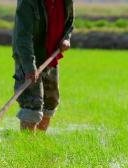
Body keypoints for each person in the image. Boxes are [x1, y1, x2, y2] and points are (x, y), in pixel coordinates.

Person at [12, 0, 74, 132]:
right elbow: (23, 36)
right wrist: (29, 67)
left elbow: (69, 22)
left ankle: (37, 145)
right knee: (32, 103)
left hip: (50, 55)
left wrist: (66, 38)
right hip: (27, 55)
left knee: (50, 102)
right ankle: (26, 147)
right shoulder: (28, 2)